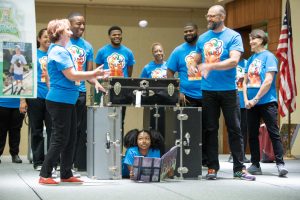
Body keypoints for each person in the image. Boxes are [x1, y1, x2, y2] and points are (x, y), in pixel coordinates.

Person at [38, 19, 106, 185]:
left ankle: (66, 173)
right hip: (60, 101)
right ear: (59, 33)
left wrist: (92, 75)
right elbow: (72, 75)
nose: (70, 32)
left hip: (67, 101)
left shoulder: (60, 50)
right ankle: (45, 174)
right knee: (60, 138)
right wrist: (93, 74)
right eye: (67, 29)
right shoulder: (59, 52)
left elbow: (73, 75)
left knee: (71, 138)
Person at [195, 5, 255, 181]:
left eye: (212, 16)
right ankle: (212, 167)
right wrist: (193, 64)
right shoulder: (203, 38)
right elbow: (198, 57)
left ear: (222, 17)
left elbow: (234, 60)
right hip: (208, 91)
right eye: (208, 16)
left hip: (229, 90)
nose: (209, 19)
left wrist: (210, 65)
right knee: (210, 129)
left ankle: (239, 168)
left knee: (235, 129)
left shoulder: (233, 36)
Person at [243, 29, 288, 177]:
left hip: (267, 102)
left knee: (273, 133)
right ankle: (255, 164)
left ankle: (280, 164)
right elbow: (244, 81)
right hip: (250, 103)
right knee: (252, 134)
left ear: (261, 40)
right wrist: (246, 100)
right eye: (250, 39)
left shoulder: (269, 57)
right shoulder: (249, 60)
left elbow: (268, 81)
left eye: (253, 39)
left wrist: (255, 99)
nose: (250, 42)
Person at [66, 12, 105, 174]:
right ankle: (57, 163)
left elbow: (89, 73)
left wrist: (96, 82)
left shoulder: (88, 46)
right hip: (64, 93)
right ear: (69, 24)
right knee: (62, 130)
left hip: (80, 93)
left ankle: (71, 164)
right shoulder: (63, 43)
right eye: (78, 23)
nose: (81, 26)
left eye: (83, 24)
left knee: (77, 130)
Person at [166, 22, 206, 166]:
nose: (188, 33)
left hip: (207, 94)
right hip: (187, 96)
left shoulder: (205, 48)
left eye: (190, 31)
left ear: (197, 31)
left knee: (209, 128)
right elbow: (169, 72)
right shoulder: (178, 51)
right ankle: (189, 158)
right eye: (185, 31)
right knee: (189, 129)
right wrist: (177, 91)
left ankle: (205, 159)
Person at [95, 25, 136, 138]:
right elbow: (99, 69)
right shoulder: (102, 51)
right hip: (107, 89)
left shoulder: (128, 52)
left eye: (119, 34)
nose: (117, 36)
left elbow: (129, 70)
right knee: (106, 118)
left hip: (122, 90)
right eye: (114, 34)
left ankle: (118, 147)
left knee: (120, 120)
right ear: (109, 36)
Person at [21, 28, 52, 171]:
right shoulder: (32, 55)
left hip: (52, 98)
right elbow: (24, 78)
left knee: (54, 131)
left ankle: (53, 162)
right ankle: (38, 161)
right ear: (39, 39)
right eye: (45, 37)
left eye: (50, 37)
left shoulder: (55, 54)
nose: (48, 39)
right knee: (36, 130)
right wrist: (23, 100)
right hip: (36, 97)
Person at [228, 58, 250, 163]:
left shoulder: (247, 63)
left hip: (244, 101)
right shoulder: (229, 62)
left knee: (243, 129)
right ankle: (232, 154)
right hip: (231, 101)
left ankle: (242, 154)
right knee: (233, 129)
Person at [0, 98, 25, 164]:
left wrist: (23, 102)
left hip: (18, 105)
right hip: (1, 104)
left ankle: (14, 154)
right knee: (1, 131)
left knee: (15, 131)